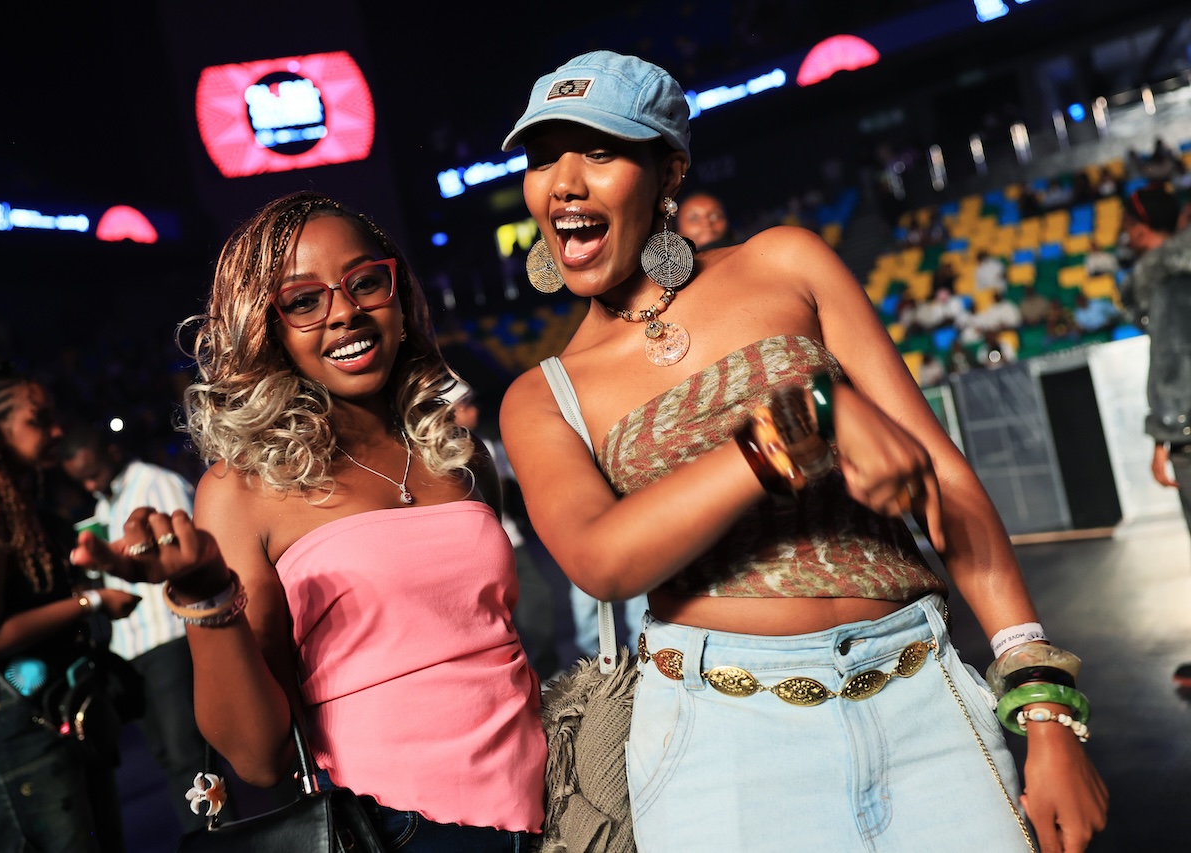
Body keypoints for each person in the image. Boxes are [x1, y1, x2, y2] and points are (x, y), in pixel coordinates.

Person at [499, 50, 1106, 852]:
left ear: (668, 170)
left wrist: (1043, 705)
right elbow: (604, 561)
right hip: (722, 744)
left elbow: (944, 479)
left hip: (922, 695)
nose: (565, 181)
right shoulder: (544, 395)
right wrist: (805, 419)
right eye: (545, 157)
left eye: (602, 151)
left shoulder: (787, 263)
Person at [70, 192, 546, 850]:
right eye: (303, 299)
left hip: (547, 811)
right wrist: (208, 595)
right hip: (398, 832)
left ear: (400, 297)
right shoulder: (240, 491)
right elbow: (258, 757)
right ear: (269, 330)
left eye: (365, 282)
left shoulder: (457, 456)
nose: (345, 310)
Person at [0, 363, 140, 852]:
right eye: (39, 419)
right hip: (5, 722)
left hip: (30, 712)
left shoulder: (14, 500)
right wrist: (91, 601)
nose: (56, 430)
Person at [59, 422, 210, 831]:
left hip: (169, 638)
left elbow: (188, 558)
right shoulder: (104, 505)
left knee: (188, 758)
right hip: (133, 648)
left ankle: (224, 841)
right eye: (80, 477)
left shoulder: (155, 484)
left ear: (110, 452)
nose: (88, 482)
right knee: (167, 757)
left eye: (92, 471)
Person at [1119, 184, 1191, 688]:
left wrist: (1165, 438)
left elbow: (1173, 368)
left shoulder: (1166, 283)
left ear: (1140, 229)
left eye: (1126, 227)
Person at [440, 380, 561, 678]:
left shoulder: (487, 445)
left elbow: (508, 489)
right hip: (468, 552)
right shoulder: (439, 457)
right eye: (464, 405)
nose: (473, 410)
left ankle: (547, 671)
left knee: (537, 600)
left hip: (509, 540)